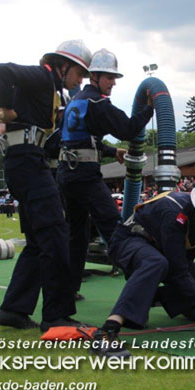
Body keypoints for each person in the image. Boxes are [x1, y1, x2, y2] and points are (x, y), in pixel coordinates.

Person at [0, 39, 92, 331]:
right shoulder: (42, 77)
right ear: (64, 66)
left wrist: (3, 111)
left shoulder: (46, 88)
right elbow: (1, 71)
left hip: (23, 161)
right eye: (79, 73)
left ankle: (13, 309)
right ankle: (56, 315)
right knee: (56, 235)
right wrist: (4, 109)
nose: (80, 79)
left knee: (38, 241)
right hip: (27, 162)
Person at [91, 178, 195, 357]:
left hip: (161, 253)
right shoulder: (174, 213)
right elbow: (178, 272)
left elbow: (183, 264)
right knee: (156, 262)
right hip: (129, 242)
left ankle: (149, 298)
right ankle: (107, 331)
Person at [57, 48, 155, 300]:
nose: (113, 83)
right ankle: (141, 284)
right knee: (114, 227)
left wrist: (112, 151)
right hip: (85, 176)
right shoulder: (99, 103)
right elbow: (129, 129)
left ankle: (68, 288)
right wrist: (150, 109)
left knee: (76, 234)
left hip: (67, 174)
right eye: (109, 77)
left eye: (114, 78)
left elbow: (79, 139)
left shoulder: (75, 102)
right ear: (95, 76)